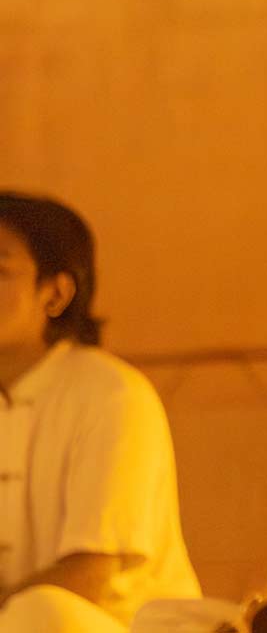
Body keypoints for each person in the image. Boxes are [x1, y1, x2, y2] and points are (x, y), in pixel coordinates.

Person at [0, 192, 200, 632]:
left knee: (40, 614)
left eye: (0, 271)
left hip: (120, 626)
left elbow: (90, 578)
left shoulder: (111, 395)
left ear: (55, 294)